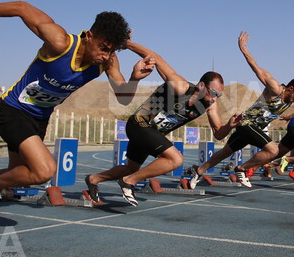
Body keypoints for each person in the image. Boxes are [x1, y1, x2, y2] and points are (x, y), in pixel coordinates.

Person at [0, 2, 153, 223]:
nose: (106, 56)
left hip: (39, 118)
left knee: (21, 175)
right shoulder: (60, 42)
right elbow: (21, 8)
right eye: (103, 47)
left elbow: (123, 98)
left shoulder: (108, 61)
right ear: (89, 36)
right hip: (13, 110)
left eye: (112, 50)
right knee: (44, 171)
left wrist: (134, 79)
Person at [84, 42, 242, 205]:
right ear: (202, 86)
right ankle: (129, 182)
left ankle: (93, 179)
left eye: (219, 96)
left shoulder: (210, 105)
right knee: (176, 159)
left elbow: (218, 133)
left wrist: (230, 125)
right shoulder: (181, 86)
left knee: (130, 168)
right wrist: (127, 44)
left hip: (152, 135)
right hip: (139, 124)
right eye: (213, 93)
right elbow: (157, 58)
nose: (215, 98)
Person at [185, 32, 294, 188]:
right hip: (247, 123)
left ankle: (199, 171)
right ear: (290, 88)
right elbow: (256, 67)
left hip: (253, 129)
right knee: (273, 150)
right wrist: (243, 49)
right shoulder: (275, 88)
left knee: (225, 152)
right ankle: (241, 169)